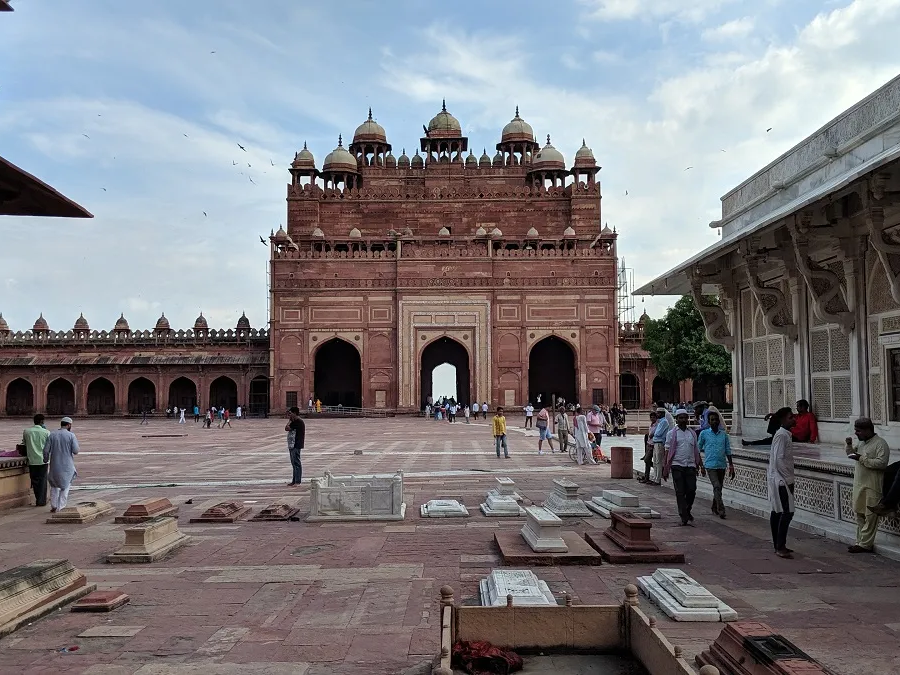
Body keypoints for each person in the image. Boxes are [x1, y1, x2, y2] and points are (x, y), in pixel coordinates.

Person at [845, 418, 889, 553]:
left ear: (867, 430)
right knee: (859, 513)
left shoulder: (880, 444)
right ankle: (860, 541)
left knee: (870, 515)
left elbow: (882, 463)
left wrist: (862, 459)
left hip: (873, 485)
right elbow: (852, 454)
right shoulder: (862, 443)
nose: (856, 433)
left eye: (858, 431)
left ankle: (865, 544)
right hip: (859, 483)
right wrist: (849, 446)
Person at [663, 409, 701, 526]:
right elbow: (667, 451)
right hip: (677, 465)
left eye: (685, 418)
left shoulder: (692, 433)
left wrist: (700, 464)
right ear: (677, 419)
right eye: (681, 418)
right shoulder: (672, 434)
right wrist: (665, 467)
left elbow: (696, 450)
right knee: (680, 491)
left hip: (690, 465)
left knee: (691, 490)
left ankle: (687, 509)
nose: (683, 420)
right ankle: (683, 515)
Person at [767, 407, 796, 559]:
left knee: (778, 511)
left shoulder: (785, 435)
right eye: (791, 417)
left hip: (779, 478)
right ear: (784, 419)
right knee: (787, 512)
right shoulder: (781, 436)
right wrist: (788, 480)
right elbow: (779, 459)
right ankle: (779, 545)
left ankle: (779, 544)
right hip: (780, 480)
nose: (793, 419)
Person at [698, 410, 735, 519]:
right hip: (710, 465)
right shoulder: (704, 434)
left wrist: (731, 465)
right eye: (712, 420)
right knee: (717, 486)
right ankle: (721, 509)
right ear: (709, 422)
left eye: (716, 420)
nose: (714, 422)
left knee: (718, 488)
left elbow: (728, 450)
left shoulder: (723, 435)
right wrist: (700, 465)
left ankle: (714, 506)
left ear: (719, 421)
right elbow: (697, 449)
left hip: (721, 464)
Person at [43, 417, 79, 513]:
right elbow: (75, 450)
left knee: (54, 485)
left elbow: (46, 450)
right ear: (69, 425)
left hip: (55, 464)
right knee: (65, 486)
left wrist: (45, 460)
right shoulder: (71, 435)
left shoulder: (52, 435)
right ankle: (61, 506)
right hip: (67, 465)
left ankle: (54, 505)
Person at [21, 413, 51, 507]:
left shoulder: (26, 431)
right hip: (43, 460)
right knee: (42, 480)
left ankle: (38, 498)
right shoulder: (46, 432)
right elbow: (48, 447)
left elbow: (24, 444)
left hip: (32, 460)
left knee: (34, 481)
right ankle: (41, 501)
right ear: (42, 422)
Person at [285, 406, 305, 486]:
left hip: (296, 444)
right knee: (294, 463)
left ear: (295, 413)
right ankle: (294, 480)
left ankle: (297, 481)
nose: (289, 415)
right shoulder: (294, 421)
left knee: (296, 463)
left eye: (291, 413)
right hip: (292, 444)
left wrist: (289, 421)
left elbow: (287, 428)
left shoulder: (298, 422)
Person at [649, 407, 670, 485]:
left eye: (658, 413)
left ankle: (658, 479)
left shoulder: (664, 422)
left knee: (658, 462)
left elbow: (658, 433)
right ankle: (654, 477)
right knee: (655, 461)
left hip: (660, 443)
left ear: (661, 414)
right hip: (655, 443)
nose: (657, 415)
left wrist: (654, 434)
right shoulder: (660, 422)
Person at [639, 411, 658, 483]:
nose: (652, 418)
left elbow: (654, 434)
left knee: (646, 460)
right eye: (651, 417)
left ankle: (657, 468)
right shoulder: (651, 425)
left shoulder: (657, 426)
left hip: (653, 445)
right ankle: (646, 477)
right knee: (647, 463)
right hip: (649, 444)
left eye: (654, 417)